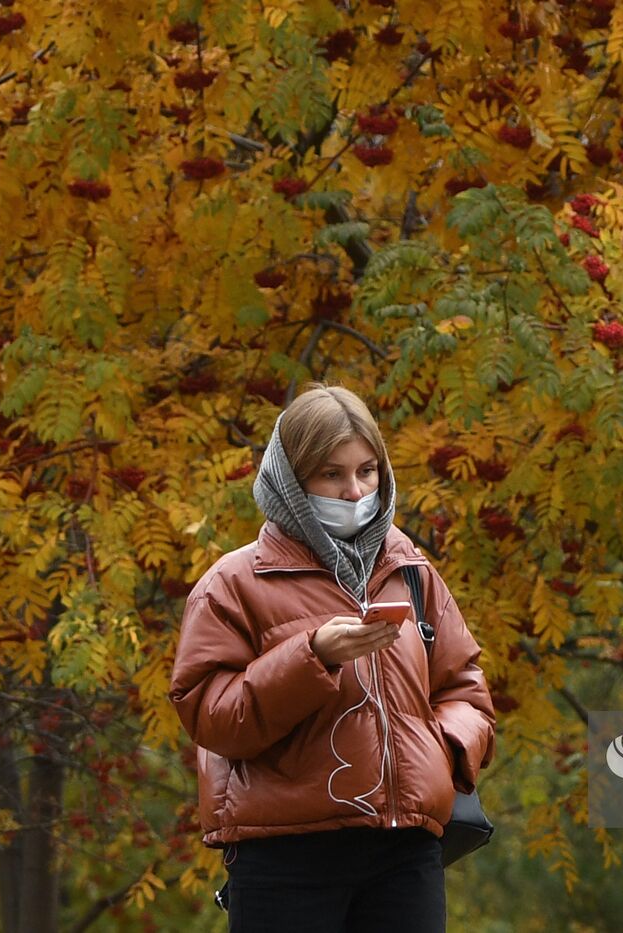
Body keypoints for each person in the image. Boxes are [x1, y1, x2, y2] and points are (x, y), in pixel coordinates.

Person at [169, 383, 496, 932]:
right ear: (292, 480)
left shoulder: (410, 567)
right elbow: (210, 719)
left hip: (404, 851)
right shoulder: (232, 583)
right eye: (331, 474)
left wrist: (440, 753)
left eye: (367, 471)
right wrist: (312, 657)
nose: (353, 491)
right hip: (285, 857)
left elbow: (465, 686)